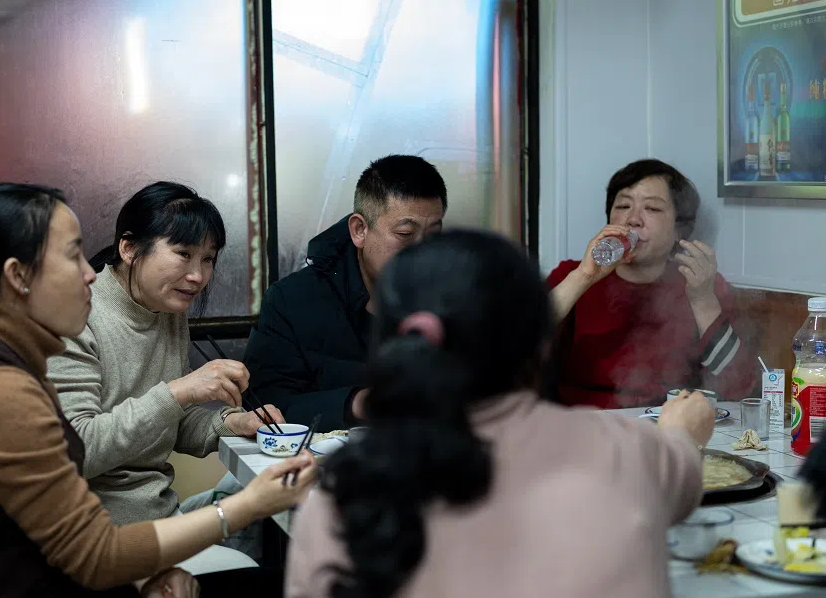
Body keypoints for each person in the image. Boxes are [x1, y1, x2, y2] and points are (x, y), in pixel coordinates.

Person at [0, 182, 317, 596]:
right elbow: (92, 551)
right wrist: (247, 506)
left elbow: (68, 537)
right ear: (18, 276)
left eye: (209, 260)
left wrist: (229, 422)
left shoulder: (2, 354)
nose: (89, 271)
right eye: (72, 254)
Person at [284, 229, 716, 598]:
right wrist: (682, 433)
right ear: (541, 346)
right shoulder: (624, 448)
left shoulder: (335, 503)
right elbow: (682, 475)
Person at [47, 182, 281, 560]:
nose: (198, 276)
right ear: (129, 249)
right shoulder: (77, 317)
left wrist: (229, 423)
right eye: (183, 253)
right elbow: (79, 449)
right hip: (96, 538)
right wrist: (180, 391)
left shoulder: (166, 309)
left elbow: (170, 422)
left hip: (160, 517)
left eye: (208, 259)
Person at [243, 154, 447, 431]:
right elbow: (264, 405)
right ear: (359, 230)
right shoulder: (293, 300)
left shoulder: (452, 297)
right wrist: (358, 403)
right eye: (405, 234)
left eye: (433, 235)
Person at [547, 159, 756, 409]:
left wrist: (702, 300)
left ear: (680, 229)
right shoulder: (572, 274)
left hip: (665, 427)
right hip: (583, 426)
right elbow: (515, 344)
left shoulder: (698, 282)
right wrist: (583, 277)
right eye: (623, 206)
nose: (632, 219)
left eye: (653, 209)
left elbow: (739, 388)